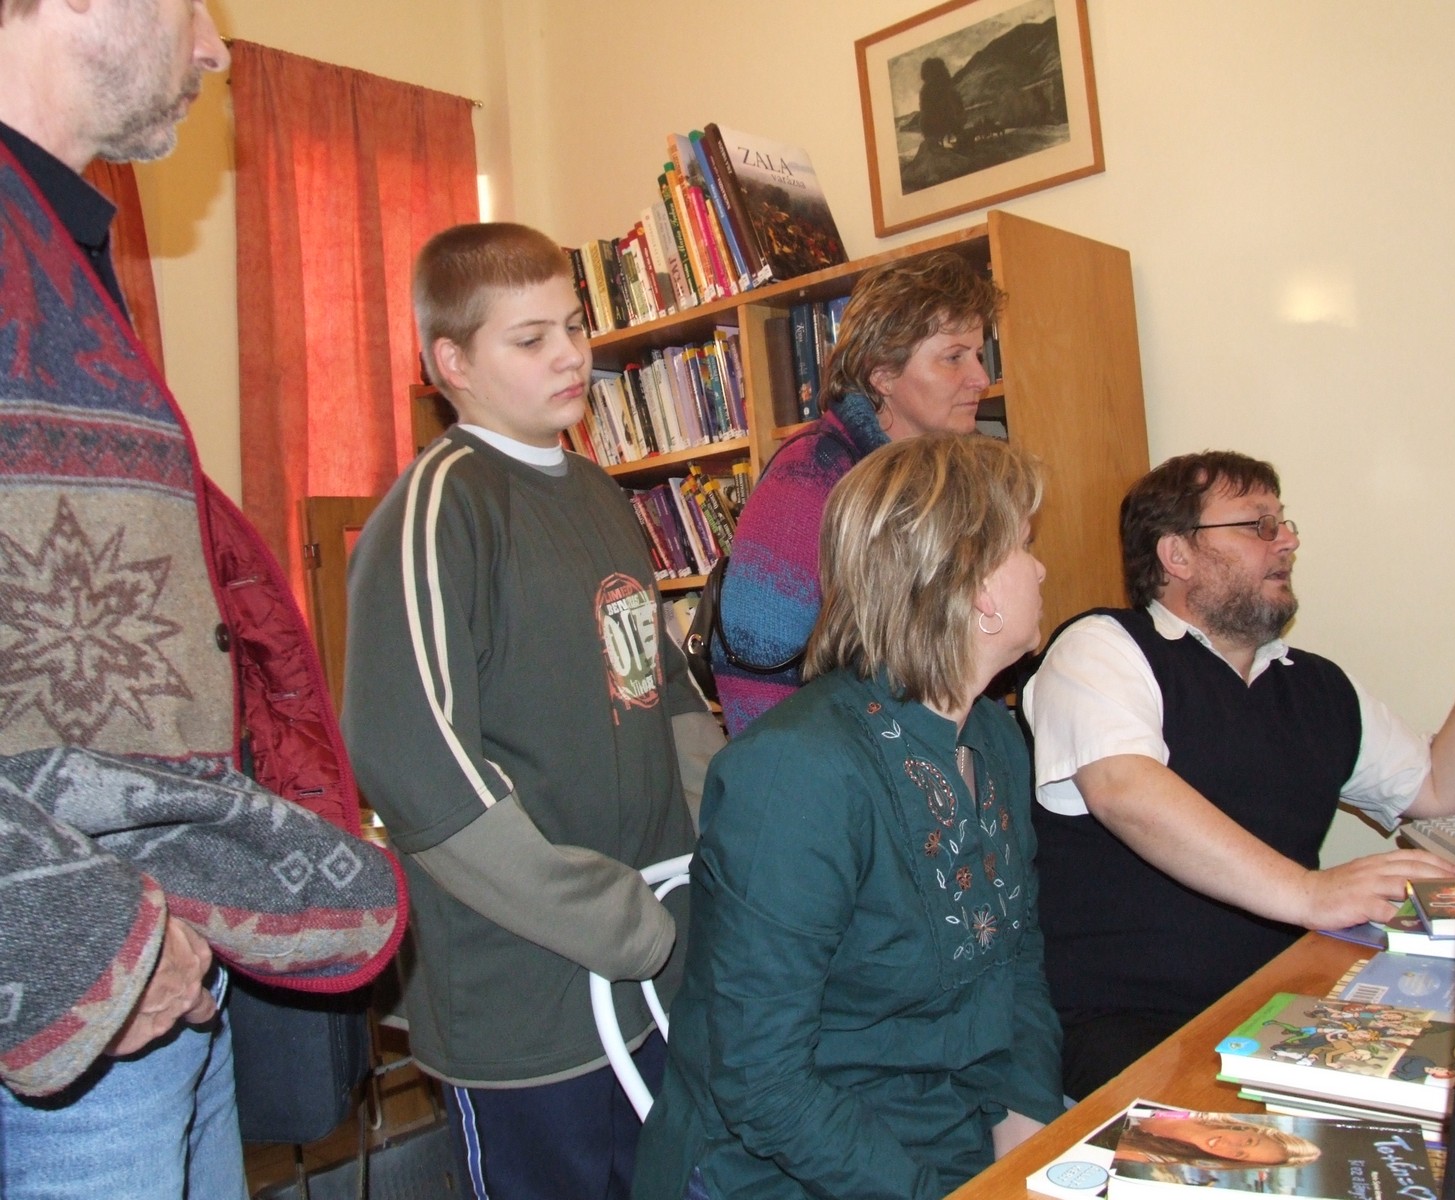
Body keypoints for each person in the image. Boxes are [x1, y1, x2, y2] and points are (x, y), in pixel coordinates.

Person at [0, 2, 404, 1197]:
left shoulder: (55, 240)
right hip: (74, 986)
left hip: (156, 959)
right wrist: (85, 940)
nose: (216, 49)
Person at [1021, 449, 1455, 1100]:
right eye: (1258, 525)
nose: (1287, 540)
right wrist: (1310, 893)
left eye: (1284, 522)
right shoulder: (1101, 646)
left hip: (1282, 1013)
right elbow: (1124, 788)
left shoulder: (1318, 685)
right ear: (1176, 555)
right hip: (1126, 1029)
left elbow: (1441, 790)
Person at [341, 222, 719, 1200]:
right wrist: (603, 916)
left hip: (654, 961)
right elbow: (413, 764)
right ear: (452, 364)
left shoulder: (597, 492)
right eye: (530, 338)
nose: (570, 356)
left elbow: (661, 687)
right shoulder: (438, 509)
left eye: (575, 326)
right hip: (528, 996)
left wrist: (725, 837)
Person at [636, 434, 1064, 1200]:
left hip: (953, 1136)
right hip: (789, 1172)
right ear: (976, 589)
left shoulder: (995, 738)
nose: (1040, 569)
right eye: (1024, 546)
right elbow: (763, 1084)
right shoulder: (798, 774)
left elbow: (1019, 961)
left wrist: (1026, 1133)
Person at [711, 249, 1001, 733]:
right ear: (882, 374)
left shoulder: (951, 474)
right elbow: (753, 668)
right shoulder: (811, 476)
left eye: (977, 354)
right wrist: (802, 778)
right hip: (834, 765)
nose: (981, 379)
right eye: (953, 357)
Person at [1114, 1111, 1320, 1168]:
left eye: (1239, 1154)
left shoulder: (1161, 1157)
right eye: (1248, 1142)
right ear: (1249, 1130)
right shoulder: (1196, 1112)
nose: (1230, 1146)